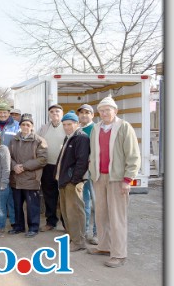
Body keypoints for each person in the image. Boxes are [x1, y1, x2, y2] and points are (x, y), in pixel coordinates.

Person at [87, 96, 141, 268]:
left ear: (115, 111)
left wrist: (128, 179)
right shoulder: (96, 128)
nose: (104, 113)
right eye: (101, 110)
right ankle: (104, 246)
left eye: (107, 110)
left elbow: (133, 155)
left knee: (117, 218)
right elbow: (93, 153)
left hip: (117, 179)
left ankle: (119, 254)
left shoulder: (124, 127)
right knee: (101, 214)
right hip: (99, 178)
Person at [55, 111, 90, 252]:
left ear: (77, 124)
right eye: (64, 124)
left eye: (69, 124)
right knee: (66, 212)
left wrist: (74, 180)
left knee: (75, 212)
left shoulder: (81, 138)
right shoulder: (69, 137)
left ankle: (79, 241)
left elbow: (82, 161)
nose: (66, 127)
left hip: (72, 182)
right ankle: (73, 237)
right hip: (64, 181)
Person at [8, 113, 48, 238]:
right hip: (16, 178)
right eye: (23, 124)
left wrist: (24, 167)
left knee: (32, 206)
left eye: (28, 125)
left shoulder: (39, 141)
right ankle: (19, 226)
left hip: (31, 179)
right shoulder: (13, 140)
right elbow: (8, 157)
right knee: (17, 205)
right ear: (20, 126)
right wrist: (14, 166)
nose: (25, 127)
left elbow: (42, 159)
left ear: (32, 126)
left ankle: (33, 227)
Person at [37, 104, 66, 232]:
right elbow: (36, 141)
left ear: (62, 113)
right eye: (52, 111)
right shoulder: (44, 128)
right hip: (48, 166)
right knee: (49, 195)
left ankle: (67, 224)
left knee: (64, 196)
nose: (55, 113)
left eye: (57, 111)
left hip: (63, 166)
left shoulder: (67, 126)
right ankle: (51, 221)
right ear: (49, 114)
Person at [78, 104, 98, 245]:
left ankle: (97, 233)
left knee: (97, 204)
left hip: (94, 172)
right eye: (82, 112)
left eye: (87, 112)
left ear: (92, 115)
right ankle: (84, 232)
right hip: (81, 173)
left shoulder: (95, 129)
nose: (84, 115)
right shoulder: (78, 129)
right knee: (84, 203)